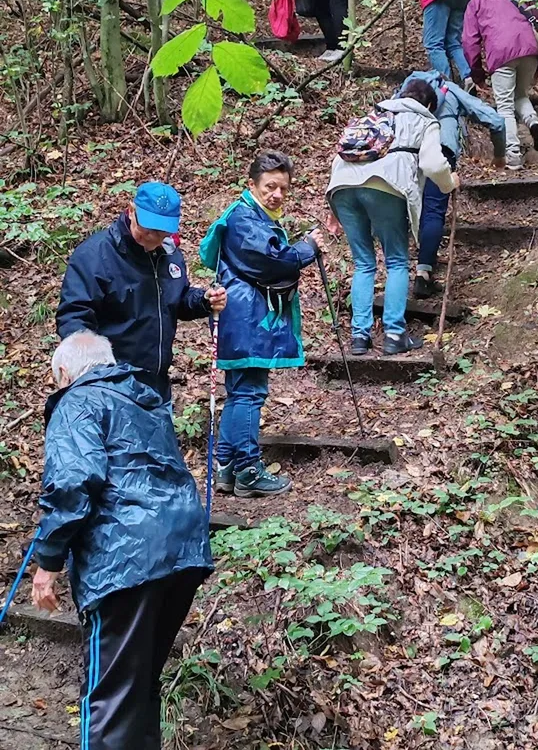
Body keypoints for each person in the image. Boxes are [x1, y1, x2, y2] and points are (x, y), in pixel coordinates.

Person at [31, 331, 213, 750]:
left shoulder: (76, 401)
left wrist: (48, 563)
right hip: (182, 554)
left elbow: (73, 482)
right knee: (141, 684)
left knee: (110, 696)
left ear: (63, 371)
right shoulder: (146, 400)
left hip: (124, 561)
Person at [199, 151, 323, 498]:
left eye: (283, 188)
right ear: (251, 184)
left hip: (242, 316)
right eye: (270, 186)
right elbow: (272, 261)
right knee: (249, 394)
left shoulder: (251, 216)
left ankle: (226, 467)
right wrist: (308, 246)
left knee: (240, 393)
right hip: (247, 317)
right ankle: (249, 470)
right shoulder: (244, 218)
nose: (277, 194)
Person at [56, 181, 227, 402]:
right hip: (110, 385)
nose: (154, 240)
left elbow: (176, 300)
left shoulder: (169, 254)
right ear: (131, 211)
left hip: (156, 384)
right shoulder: (94, 256)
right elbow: (73, 318)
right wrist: (93, 373)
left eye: (161, 233)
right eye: (149, 231)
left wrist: (203, 300)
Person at [326, 79, 458, 356]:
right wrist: (449, 183)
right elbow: (433, 164)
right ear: (430, 104)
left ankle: (360, 337)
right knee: (397, 261)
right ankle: (395, 334)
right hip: (384, 186)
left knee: (363, 263)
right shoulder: (425, 120)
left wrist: (332, 208)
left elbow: (342, 155)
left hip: (342, 188)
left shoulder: (373, 115)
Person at [396, 70, 506, 298]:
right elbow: (493, 118)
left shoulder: (403, 95)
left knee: (407, 210)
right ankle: (423, 273)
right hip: (440, 152)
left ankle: (397, 274)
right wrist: (499, 153)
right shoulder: (451, 91)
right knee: (433, 212)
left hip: (403, 155)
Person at [463, 0, 538, 171]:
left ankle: (512, 155)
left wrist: (477, 74)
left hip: (502, 55)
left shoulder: (476, 3)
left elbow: (470, 41)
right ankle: (534, 123)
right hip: (530, 50)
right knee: (520, 94)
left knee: (504, 105)